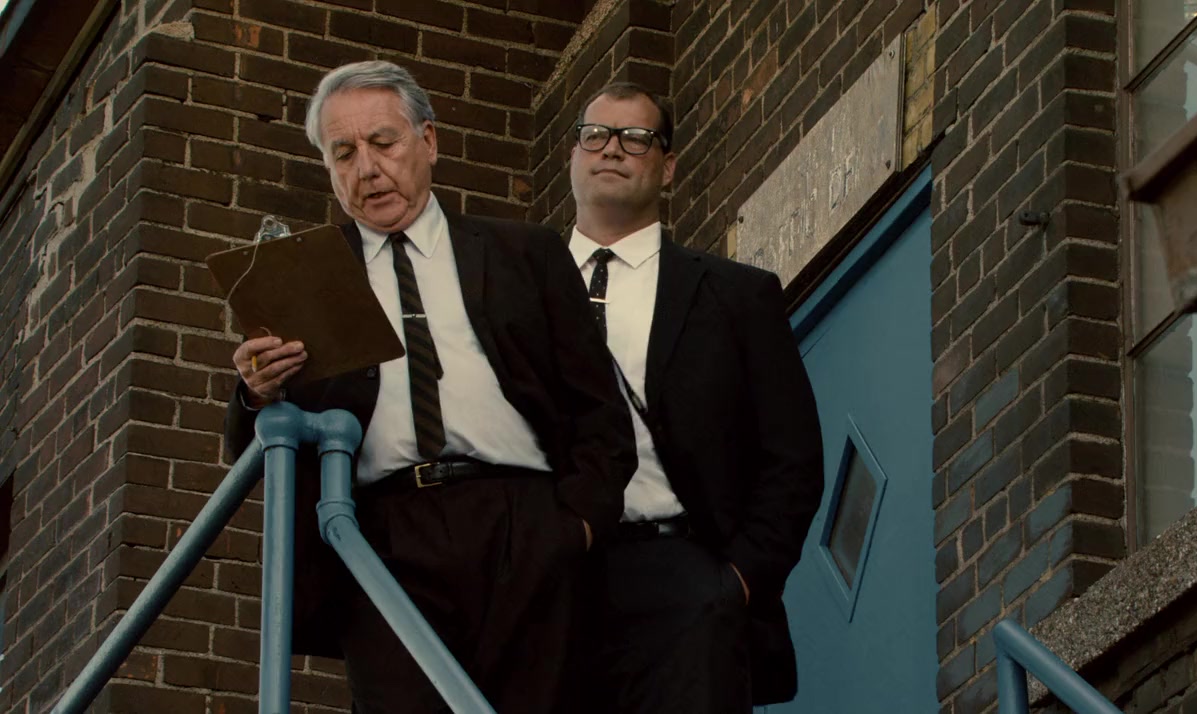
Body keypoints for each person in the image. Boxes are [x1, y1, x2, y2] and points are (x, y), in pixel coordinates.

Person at [222, 61, 636, 714]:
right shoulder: (306, 275)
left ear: (429, 141)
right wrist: (256, 392)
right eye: (344, 153)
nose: (367, 168)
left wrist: (575, 527)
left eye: (383, 143)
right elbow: (257, 450)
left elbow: (598, 409)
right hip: (378, 534)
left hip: (523, 521)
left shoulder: (523, 252)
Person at [564, 81, 824, 712]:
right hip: (553, 584)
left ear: (668, 166)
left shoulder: (737, 296)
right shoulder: (513, 287)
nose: (611, 149)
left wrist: (737, 581)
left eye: (636, 138)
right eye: (595, 135)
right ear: (573, 155)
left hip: (682, 575)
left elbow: (792, 457)